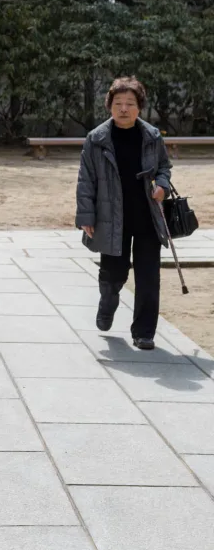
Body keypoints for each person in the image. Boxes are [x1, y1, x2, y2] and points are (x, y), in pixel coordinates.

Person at [76, 76, 171, 350]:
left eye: (130, 103)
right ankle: (108, 303)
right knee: (113, 274)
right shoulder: (96, 139)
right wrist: (86, 217)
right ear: (110, 106)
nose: (124, 108)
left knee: (148, 277)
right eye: (118, 103)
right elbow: (86, 180)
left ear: (139, 107)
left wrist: (162, 186)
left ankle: (144, 332)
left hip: (147, 218)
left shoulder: (151, 136)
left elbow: (164, 167)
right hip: (111, 218)